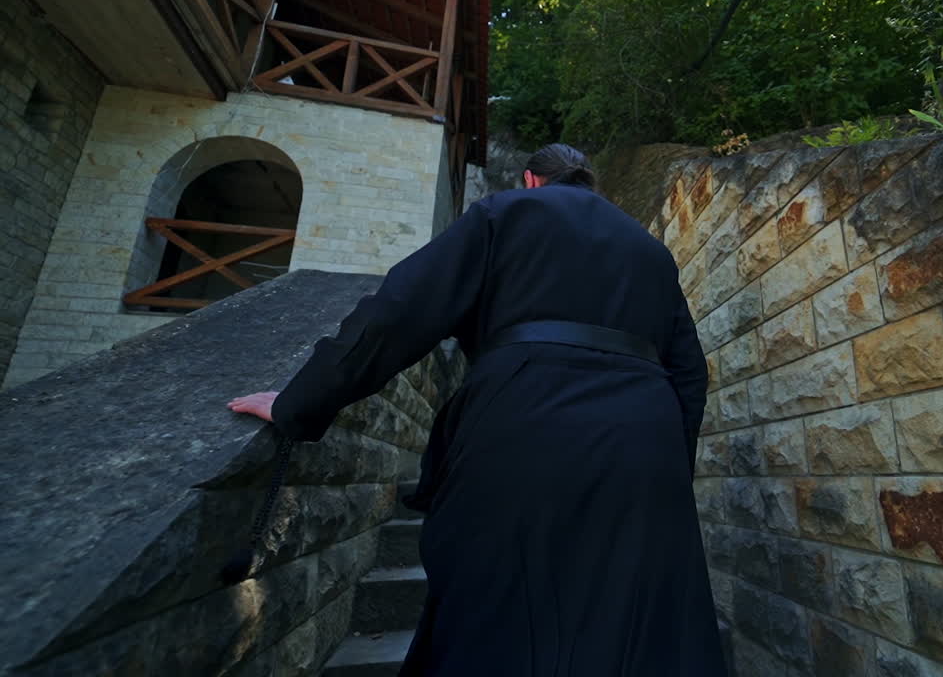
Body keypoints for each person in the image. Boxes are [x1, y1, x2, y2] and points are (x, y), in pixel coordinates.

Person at [227, 143, 727, 676]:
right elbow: (690, 374)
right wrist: (672, 466)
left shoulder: (504, 212)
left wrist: (300, 404)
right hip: (644, 438)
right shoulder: (650, 251)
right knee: (633, 616)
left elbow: (399, 311)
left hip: (522, 417)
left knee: (498, 606)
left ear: (531, 180)